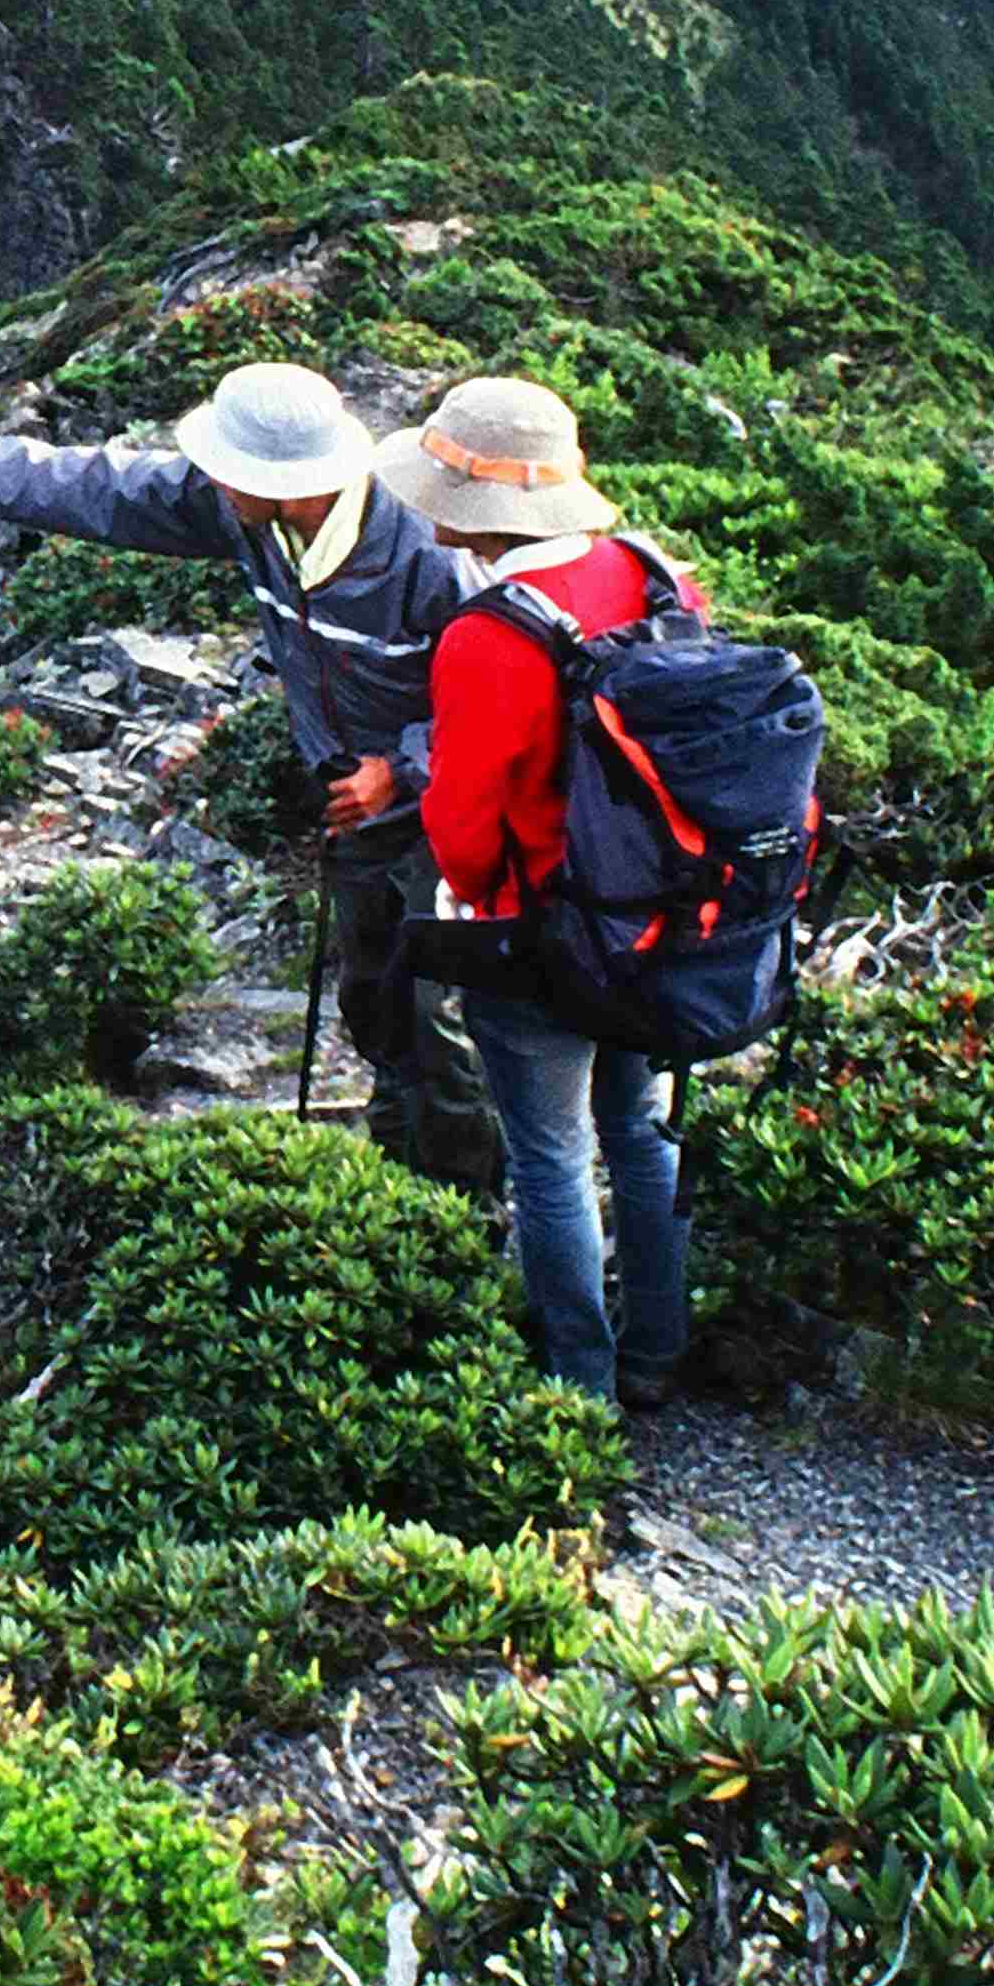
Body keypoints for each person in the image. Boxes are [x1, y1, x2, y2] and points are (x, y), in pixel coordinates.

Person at [0, 363, 502, 1190]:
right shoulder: (245, 514)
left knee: (430, 1009)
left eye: (227, 466)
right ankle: (400, 1168)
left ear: (284, 479)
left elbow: (503, 692)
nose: (209, 478)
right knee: (374, 996)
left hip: (443, 804)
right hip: (352, 800)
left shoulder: (428, 552)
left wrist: (402, 769)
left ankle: (465, 1203)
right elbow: (116, 490)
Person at [392, 374, 699, 1404]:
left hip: (543, 937)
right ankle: (659, 1349)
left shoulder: (490, 635)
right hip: (657, 921)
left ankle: (580, 1389)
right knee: (641, 1135)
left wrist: (467, 901)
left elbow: (464, 826)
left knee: (551, 1159)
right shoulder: (657, 578)